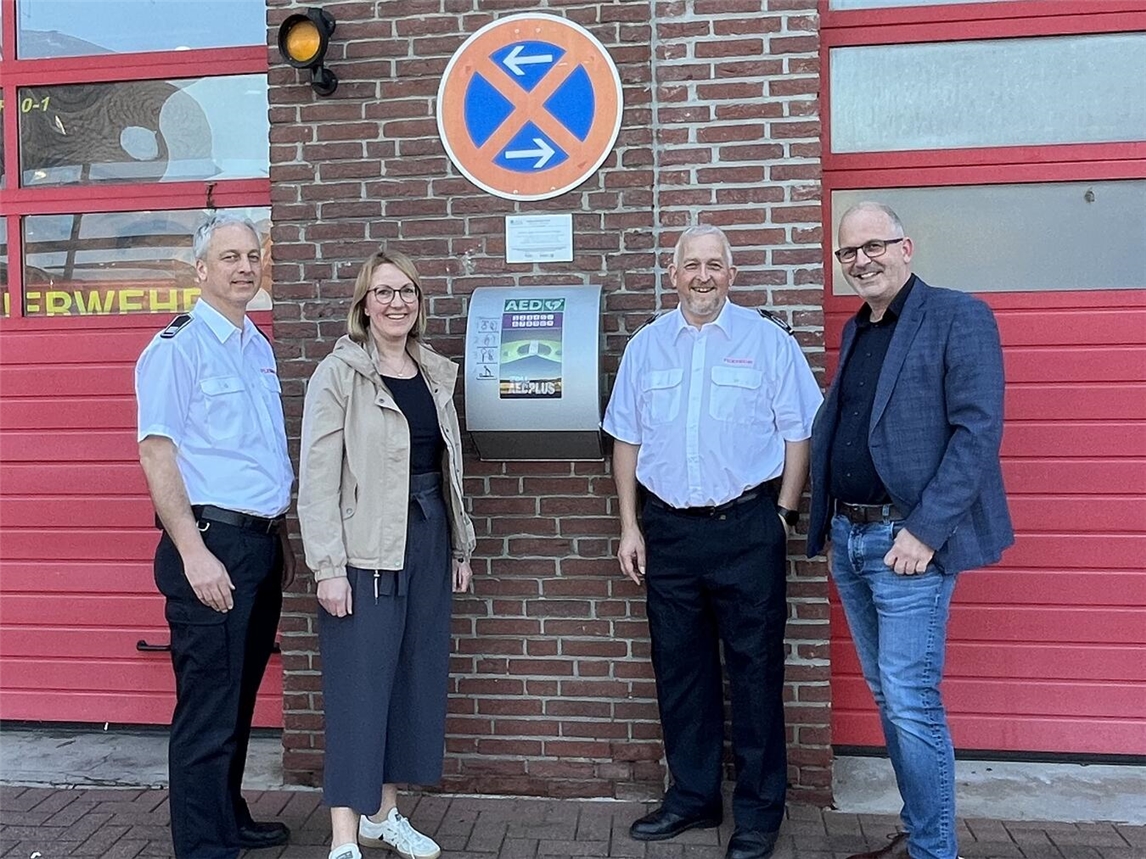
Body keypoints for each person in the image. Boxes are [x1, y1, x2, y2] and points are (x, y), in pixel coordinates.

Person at [603, 225, 823, 859]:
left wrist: (782, 515)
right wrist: (629, 523)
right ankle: (693, 799)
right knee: (681, 673)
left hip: (746, 529)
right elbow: (626, 440)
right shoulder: (647, 347)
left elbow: (798, 434)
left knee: (756, 676)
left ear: (732, 273)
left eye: (715, 265)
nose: (703, 275)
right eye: (691, 265)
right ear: (673, 275)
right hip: (668, 532)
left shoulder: (768, 342)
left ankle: (758, 815)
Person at [807, 202, 1014, 859]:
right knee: (888, 696)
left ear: (907, 247)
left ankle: (934, 849)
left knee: (909, 699)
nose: (862, 260)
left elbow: (977, 431)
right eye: (849, 253)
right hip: (852, 539)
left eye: (875, 246)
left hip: (907, 547)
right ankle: (922, 826)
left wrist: (924, 532)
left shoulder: (959, 315)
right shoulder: (858, 330)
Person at [297, 249, 476, 859]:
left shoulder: (434, 374)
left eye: (407, 291)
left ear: (419, 303)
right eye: (383, 292)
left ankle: (385, 812)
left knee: (409, 682)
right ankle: (344, 836)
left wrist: (460, 544)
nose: (397, 302)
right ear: (363, 304)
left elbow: (447, 468)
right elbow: (318, 478)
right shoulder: (339, 373)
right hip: (364, 549)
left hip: (427, 540)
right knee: (358, 687)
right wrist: (327, 567)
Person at [135, 212, 296, 859]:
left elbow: (257, 453)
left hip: (257, 544)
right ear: (200, 269)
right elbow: (156, 454)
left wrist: (276, 539)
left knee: (237, 697)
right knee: (207, 706)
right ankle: (203, 845)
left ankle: (227, 818)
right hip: (209, 546)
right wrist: (193, 552)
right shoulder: (177, 348)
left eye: (252, 255)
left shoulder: (255, 343)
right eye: (229, 256)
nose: (244, 267)